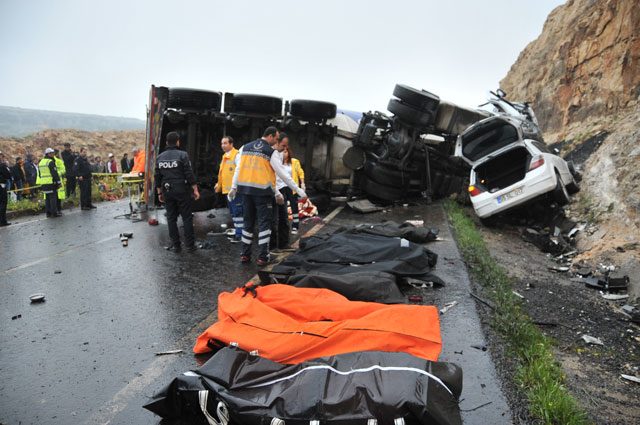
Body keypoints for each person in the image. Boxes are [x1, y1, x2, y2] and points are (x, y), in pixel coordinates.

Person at [229, 127, 307, 266]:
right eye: (276, 139)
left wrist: (234, 187)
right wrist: (297, 189)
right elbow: (282, 174)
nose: (277, 142)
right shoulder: (270, 152)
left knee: (248, 224)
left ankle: (245, 255)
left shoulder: (245, 148)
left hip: (246, 192)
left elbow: (239, 168)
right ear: (270, 136)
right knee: (265, 225)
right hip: (263, 194)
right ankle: (263, 257)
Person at [155, 131, 200, 252]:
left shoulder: (159, 157)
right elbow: (189, 174)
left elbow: (157, 177)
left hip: (167, 190)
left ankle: (176, 246)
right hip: (181, 189)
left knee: (171, 218)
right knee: (186, 217)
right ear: (178, 141)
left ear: (166, 142)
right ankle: (190, 246)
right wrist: (195, 189)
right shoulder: (183, 155)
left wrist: (159, 193)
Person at [214, 136, 242, 243]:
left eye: (225, 143)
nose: (223, 145)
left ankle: (240, 235)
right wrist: (219, 185)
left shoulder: (237, 155)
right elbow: (222, 173)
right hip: (227, 191)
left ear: (231, 144)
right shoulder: (225, 156)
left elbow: (238, 172)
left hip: (235, 190)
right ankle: (238, 231)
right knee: (234, 213)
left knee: (238, 212)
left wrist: (235, 188)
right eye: (222, 143)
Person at [284, 145, 306, 234]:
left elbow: (300, 172)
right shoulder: (278, 162)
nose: (284, 154)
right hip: (282, 188)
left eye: (286, 152)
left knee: (294, 207)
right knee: (283, 208)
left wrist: (302, 183)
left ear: (289, 153)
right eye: (282, 152)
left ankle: (295, 226)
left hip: (292, 188)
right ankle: (284, 227)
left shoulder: (294, 162)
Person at [36, 148, 61, 218]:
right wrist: (58, 182)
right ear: (48, 154)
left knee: (47, 198)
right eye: (52, 153)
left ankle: (48, 213)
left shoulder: (41, 162)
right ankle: (54, 213)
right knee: (53, 198)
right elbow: (54, 173)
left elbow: (40, 174)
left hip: (44, 183)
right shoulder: (50, 162)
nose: (53, 154)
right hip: (50, 182)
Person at [0, 151, 12, 226]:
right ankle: (2, 221)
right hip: (1, 186)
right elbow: (8, 175)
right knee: (3, 203)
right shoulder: (1, 165)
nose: (2, 157)